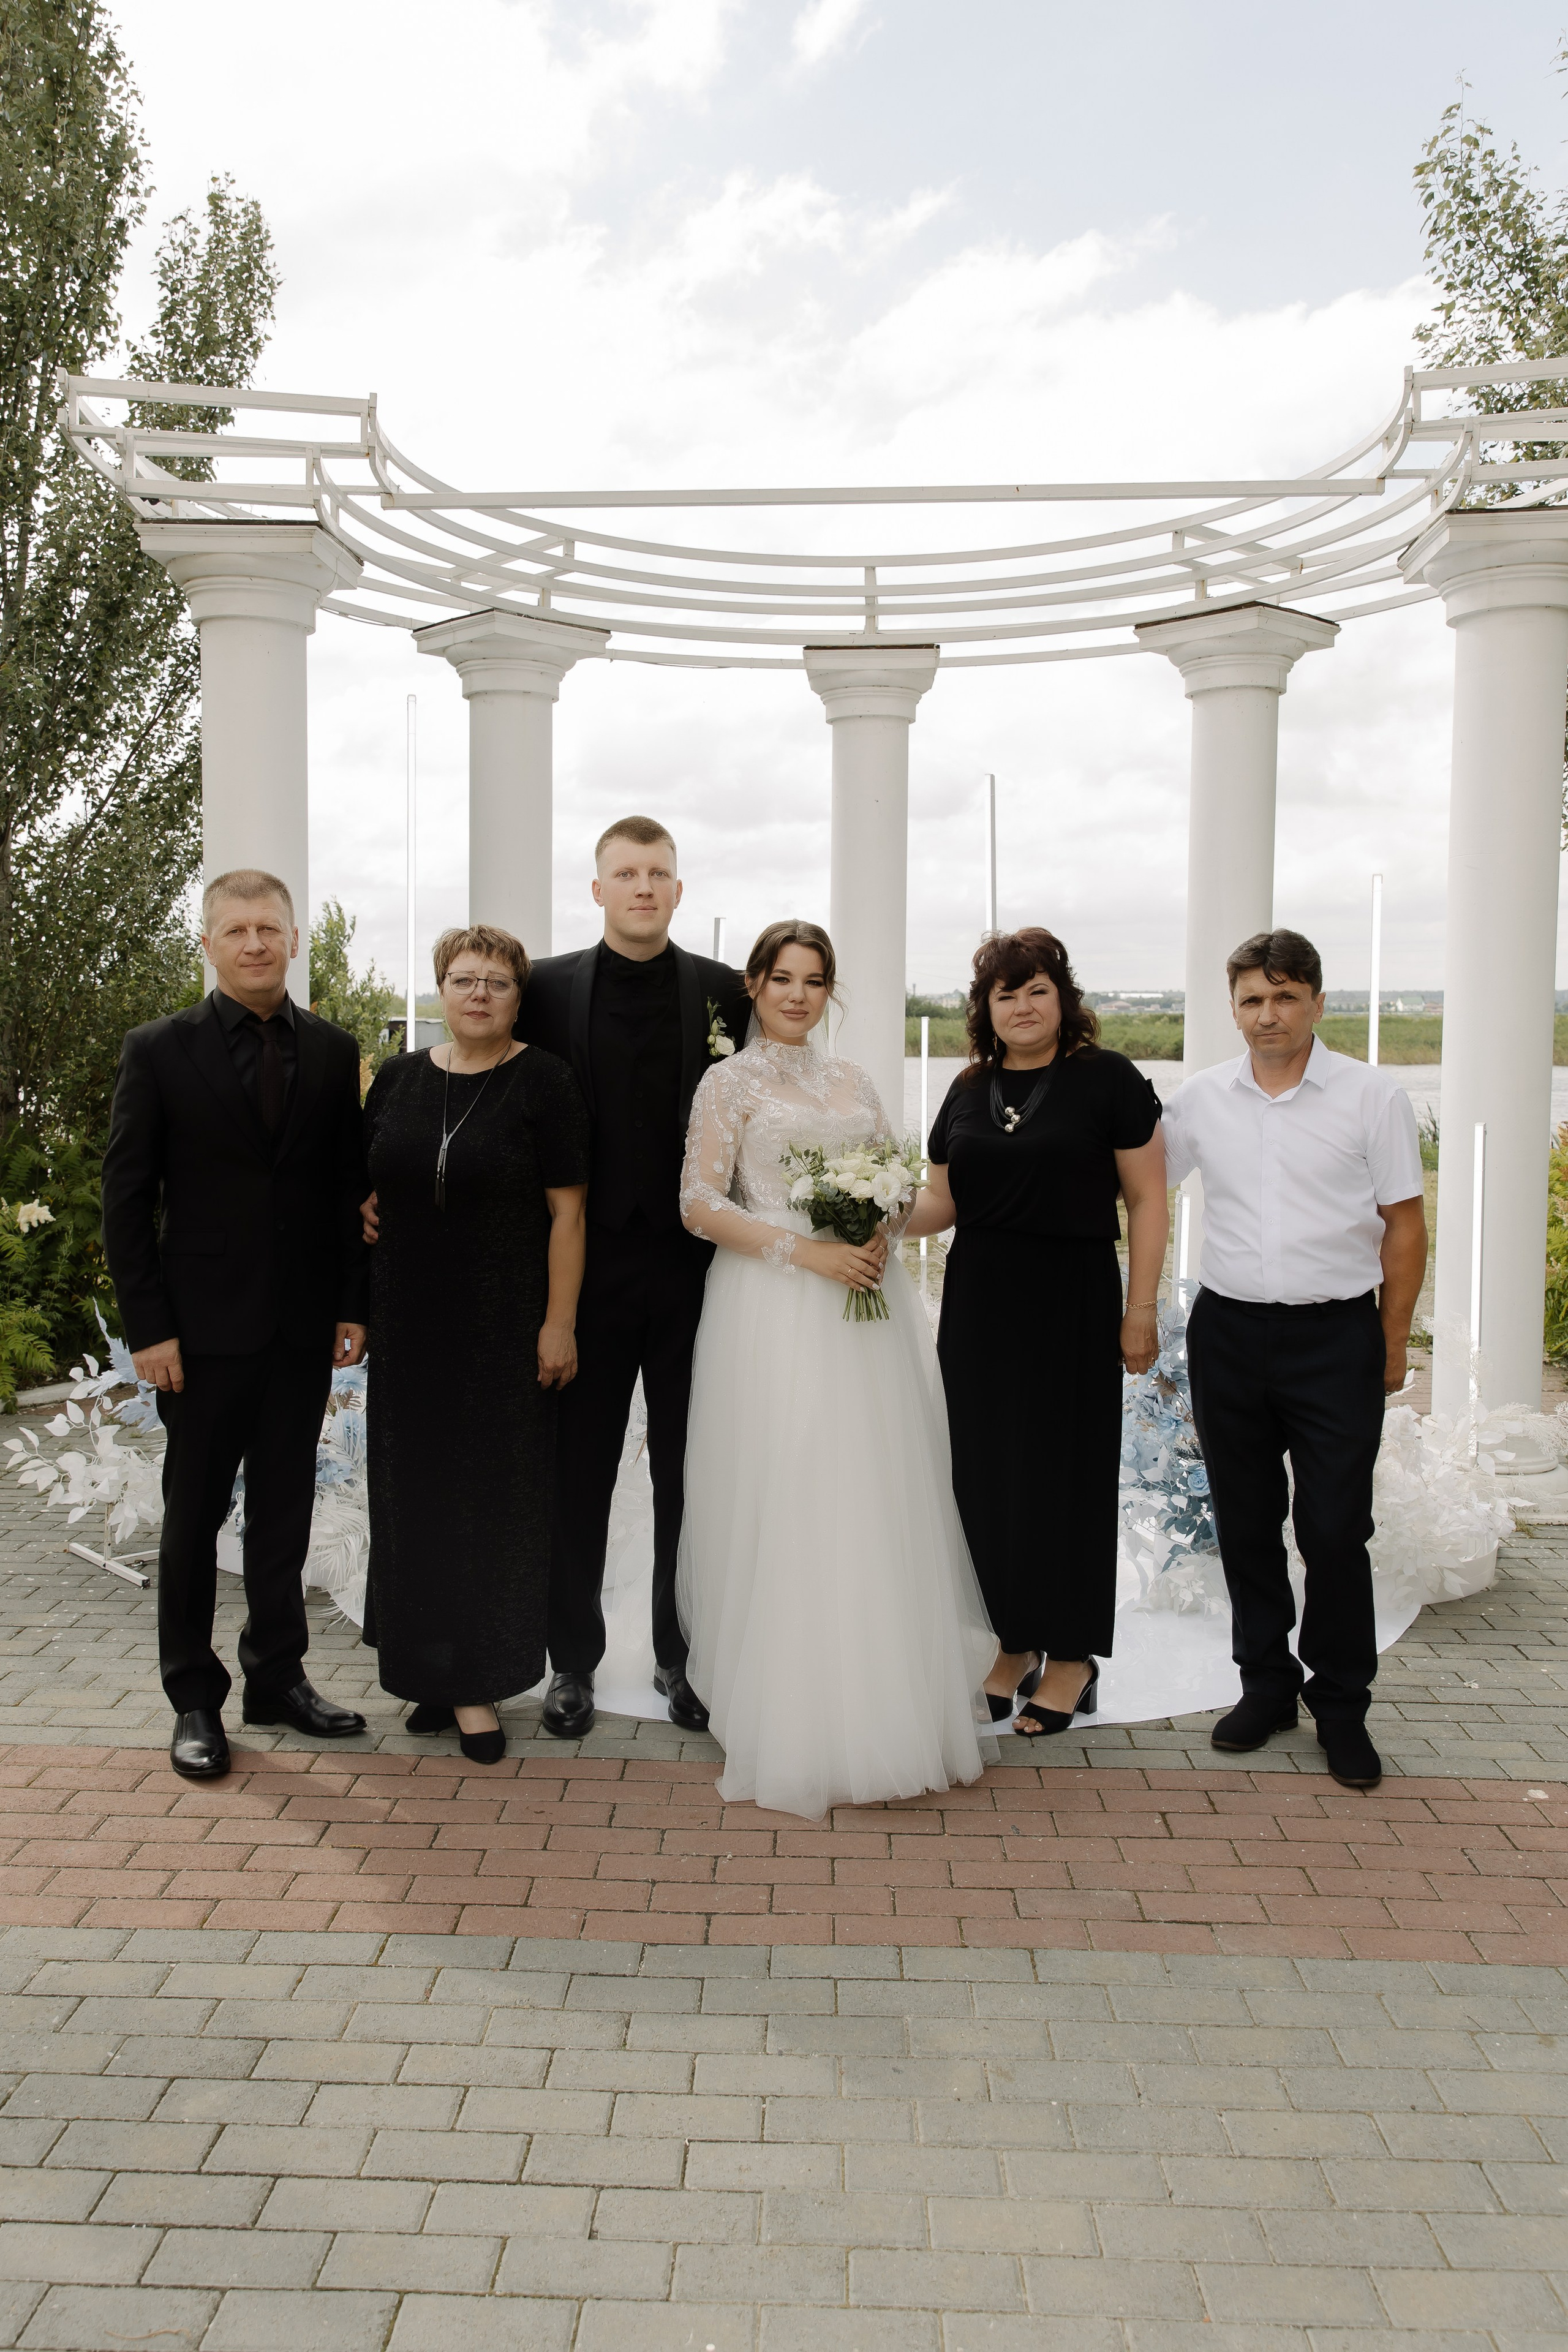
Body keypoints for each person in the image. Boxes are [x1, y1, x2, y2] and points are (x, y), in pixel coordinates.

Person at [676, 920, 997, 1817]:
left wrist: (877, 1229)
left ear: (830, 992)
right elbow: (698, 1202)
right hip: (773, 1306)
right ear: (753, 984)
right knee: (791, 1486)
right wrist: (806, 1254)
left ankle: (886, 1697)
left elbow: (898, 1182)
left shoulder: (854, 1080)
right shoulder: (727, 1081)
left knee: (871, 1487)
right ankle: (788, 1704)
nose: (797, 996)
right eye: (782, 979)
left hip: (868, 1304)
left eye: (814, 982)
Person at [100, 870, 370, 1782]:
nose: (255, 943)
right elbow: (127, 1202)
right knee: (193, 1518)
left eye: (270, 928)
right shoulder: (158, 1051)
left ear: (296, 939)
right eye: (237, 929)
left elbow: (345, 1191)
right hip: (200, 1334)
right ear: (208, 944)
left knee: (287, 1514)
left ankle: (277, 1678)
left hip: (300, 1329)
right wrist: (150, 1329)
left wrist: (352, 1303)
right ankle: (193, 1699)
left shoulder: (335, 1053)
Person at [1161, 928, 1428, 1791]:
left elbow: (1405, 1226)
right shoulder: (1201, 1099)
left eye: (1284, 997)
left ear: (1316, 1000)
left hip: (1336, 1338)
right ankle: (1266, 1686)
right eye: (1251, 999)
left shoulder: (1371, 1098)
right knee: (1243, 1522)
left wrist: (1390, 1341)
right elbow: (1141, 1185)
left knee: (1335, 1528)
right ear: (1231, 1006)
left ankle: (1342, 1708)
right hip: (1229, 1334)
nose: (1267, 1015)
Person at [514, 816, 752, 1739]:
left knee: (691, 1475)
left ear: (679, 891)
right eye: (626, 872)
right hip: (584, 1267)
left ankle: (681, 1656)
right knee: (578, 1471)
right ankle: (571, 1662)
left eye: (658, 873)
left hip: (701, 1272)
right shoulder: (543, 989)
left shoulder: (728, 992)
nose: (643, 887)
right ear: (599, 888)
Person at [905, 928, 1167, 1735]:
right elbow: (941, 1202)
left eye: (1038, 990)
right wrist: (860, 1216)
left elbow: (1149, 1201)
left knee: (1067, 1479)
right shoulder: (967, 1089)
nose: (1023, 1006)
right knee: (983, 1481)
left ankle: (1075, 1658)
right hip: (981, 1302)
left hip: (1075, 1299)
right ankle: (1014, 1643)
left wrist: (1140, 1309)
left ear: (1064, 998)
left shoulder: (1108, 1080)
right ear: (985, 1008)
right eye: (1006, 994)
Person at [358, 925, 587, 1765]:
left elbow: (570, 1213)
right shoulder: (396, 1079)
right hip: (410, 1324)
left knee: (491, 1507)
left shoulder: (545, 1083)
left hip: (504, 1327)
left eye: (496, 981)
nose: (479, 993)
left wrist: (558, 1322)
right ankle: (431, 1672)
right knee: (412, 1501)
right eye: (463, 979)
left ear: (518, 997)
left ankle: (478, 1683)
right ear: (440, 990)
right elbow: (363, 1178)